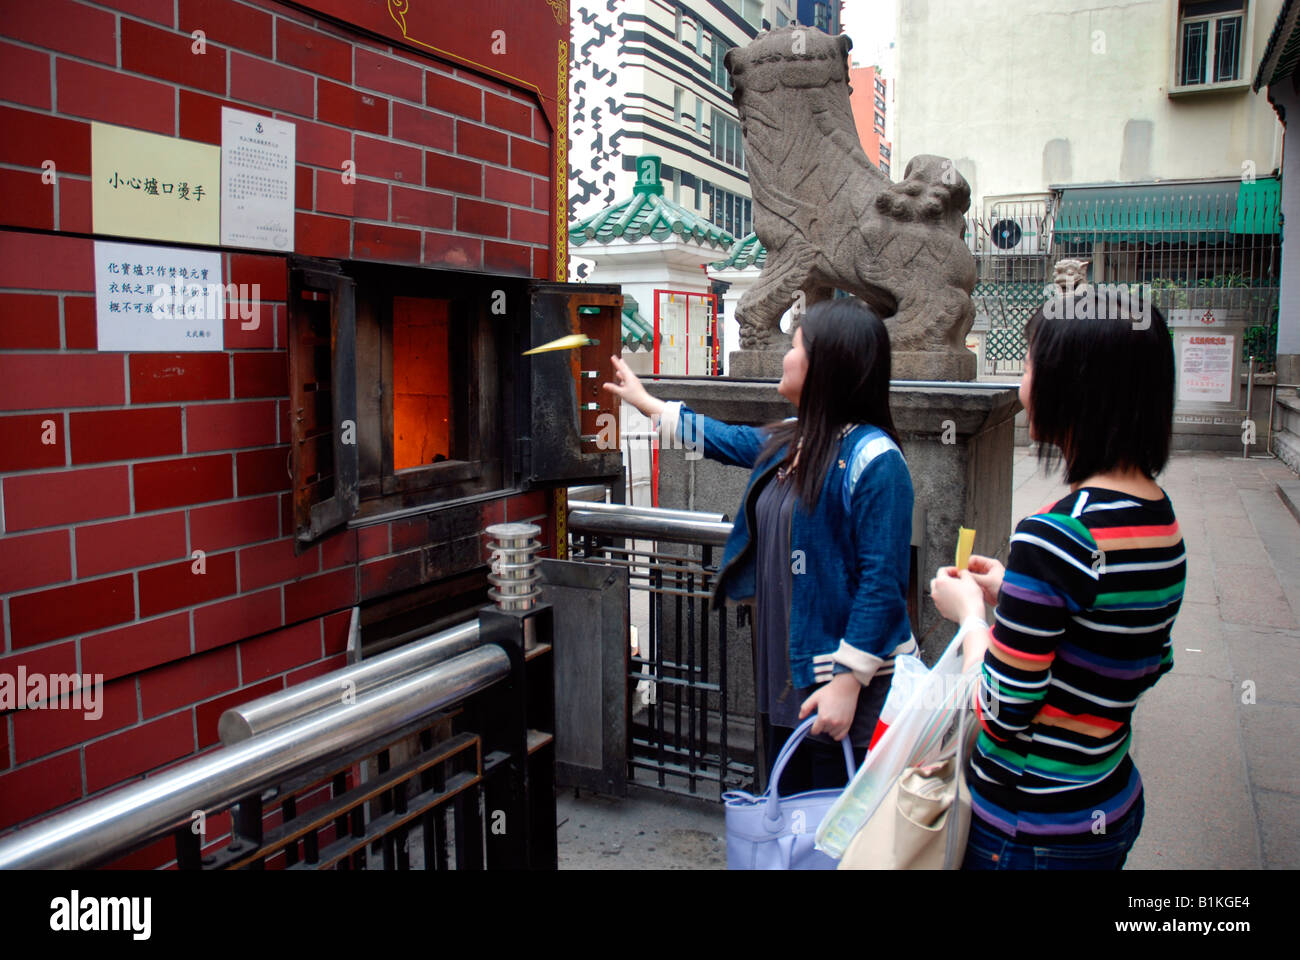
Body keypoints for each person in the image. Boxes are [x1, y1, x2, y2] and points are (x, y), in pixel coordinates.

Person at [603, 298, 915, 794]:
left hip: (839, 686)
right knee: (791, 815)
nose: (784, 357)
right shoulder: (798, 440)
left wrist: (848, 682)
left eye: (794, 347)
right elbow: (724, 439)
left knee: (835, 827)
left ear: (826, 366)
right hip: (786, 675)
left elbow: (883, 583)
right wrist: (647, 402)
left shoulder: (875, 459)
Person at [930, 285, 1184, 869]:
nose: (1022, 383)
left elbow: (1000, 706)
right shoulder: (1160, 518)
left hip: (1030, 828)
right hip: (1108, 800)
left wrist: (971, 616)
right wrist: (1016, 594)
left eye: (1028, 364)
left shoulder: (1055, 535)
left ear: (1076, 390)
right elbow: (1135, 653)